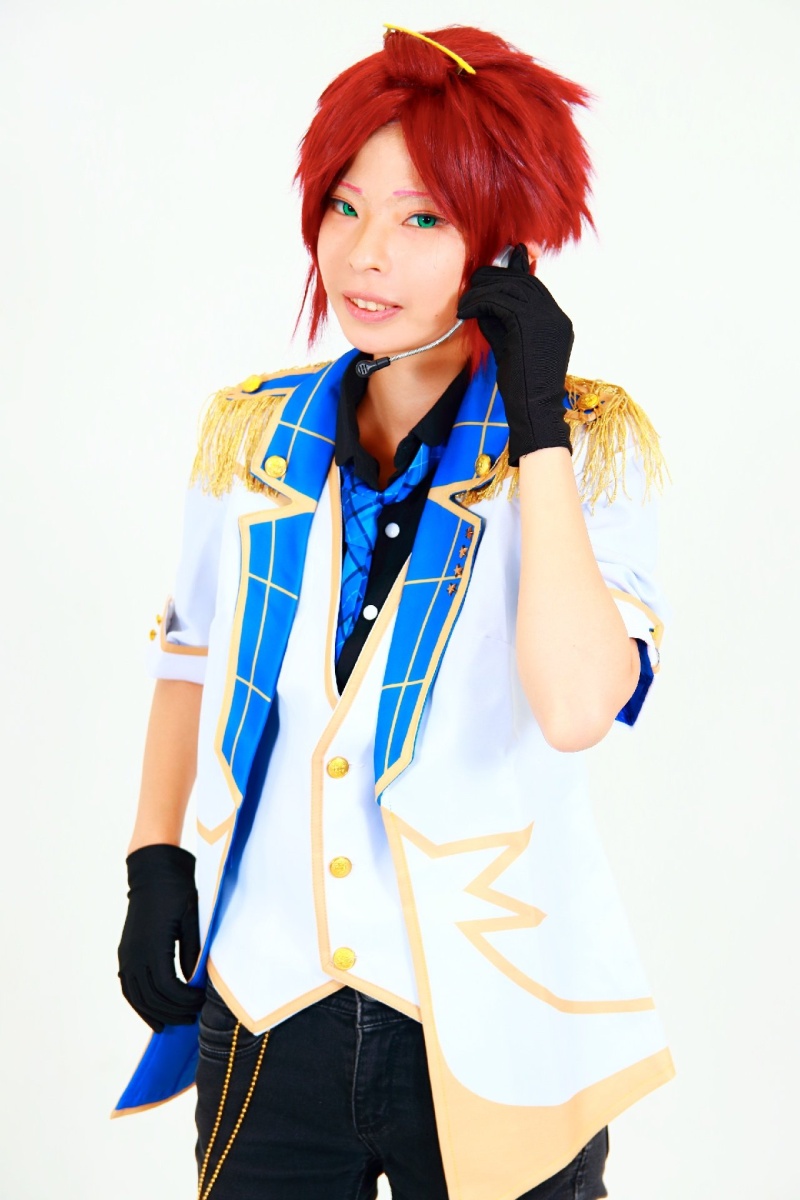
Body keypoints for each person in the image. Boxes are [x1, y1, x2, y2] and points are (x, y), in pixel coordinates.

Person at [114, 23, 673, 1200]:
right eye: (344, 207)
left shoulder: (588, 443)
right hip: (268, 1002)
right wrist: (154, 860)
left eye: (422, 218)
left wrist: (535, 427)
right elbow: (190, 658)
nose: (363, 255)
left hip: (503, 1014)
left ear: (505, 243)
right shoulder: (249, 431)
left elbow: (577, 707)